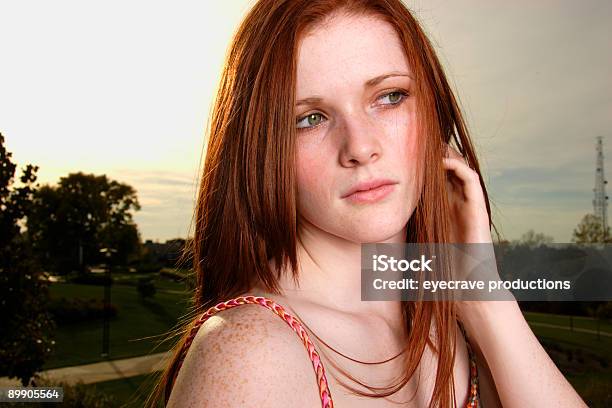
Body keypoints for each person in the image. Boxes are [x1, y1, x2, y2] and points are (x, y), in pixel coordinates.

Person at [149, 1, 588, 407]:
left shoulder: (455, 326)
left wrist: (481, 291)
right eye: (309, 119)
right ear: (262, 152)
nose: (360, 147)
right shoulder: (251, 353)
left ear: (434, 110)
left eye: (390, 97)